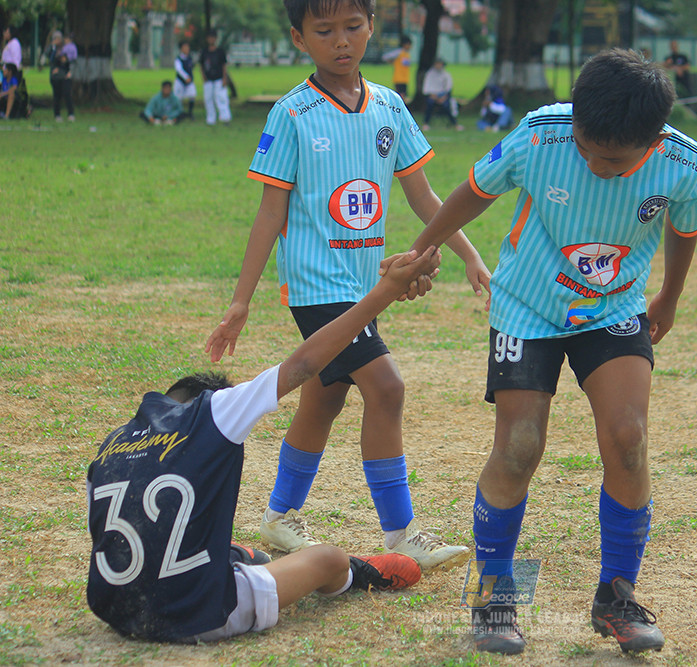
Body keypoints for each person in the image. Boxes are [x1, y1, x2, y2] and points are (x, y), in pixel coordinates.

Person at [398, 48, 697, 654]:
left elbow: (684, 229)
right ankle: (495, 598)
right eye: (586, 147)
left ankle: (616, 597)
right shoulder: (541, 136)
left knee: (628, 438)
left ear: (652, 140)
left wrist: (668, 298)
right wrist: (422, 249)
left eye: (613, 159)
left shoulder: (684, 162)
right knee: (520, 447)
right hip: (527, 306)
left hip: (614, 308)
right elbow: (473, 191)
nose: (594, 164)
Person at [204, 0, 489, 571]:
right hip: (317, 287)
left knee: (326, 396)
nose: (341, 41)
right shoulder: (292, 114)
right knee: (386, 388)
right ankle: (401, 531)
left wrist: (467, 253)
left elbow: (423, 195)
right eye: (324, 30)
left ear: (371, 29)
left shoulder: (389, 105)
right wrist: (241, 302)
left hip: (365, 286)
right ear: (298, 37)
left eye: (352, 27)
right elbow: (269, 213)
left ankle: (280, 519)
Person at [87, 249, 437, 643]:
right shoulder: (213, 411)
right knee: (328, 558)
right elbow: (303, 365)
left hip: (113, 609)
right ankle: (357, 573)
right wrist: (386, 290)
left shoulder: (113, 442)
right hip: (203, 611)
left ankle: (234, 558)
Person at [200, 29, 231, 125]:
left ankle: (225, 118)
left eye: (213, 38)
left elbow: (224, 66)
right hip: (208, 79)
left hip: (218, 78)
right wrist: (203, 76)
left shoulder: (220, 51)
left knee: (221, 98)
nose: (211, 40)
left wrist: (224, 78)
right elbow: (201, 65)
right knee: (208, 99)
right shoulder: (204, 52)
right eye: (210, 38)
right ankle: (210, 119)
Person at [422, 58, 462, 130]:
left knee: (447, 106)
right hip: (432, 96)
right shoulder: (429, 74)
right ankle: (426, 123)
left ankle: (454, 124)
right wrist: (434, 97)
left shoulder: (446, 75)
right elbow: (426, 88)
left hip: (443, 96)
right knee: (429, 104)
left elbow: (448, 88)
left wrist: (443, 97)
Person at [46, 30, 75, 122]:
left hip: (65, 75)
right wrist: (53, 46)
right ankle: (57, 114)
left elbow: (68, 61)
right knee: (56, 95)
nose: (57, 40)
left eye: (58, 38)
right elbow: (48, 58)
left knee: (67, 94)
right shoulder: (52, 49)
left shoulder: (66, 48)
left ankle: (71, 113)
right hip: (55, 76)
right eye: (55, 38)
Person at [381, 35, 412, 99]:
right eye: (408, 44)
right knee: (400, 96)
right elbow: (385, 57)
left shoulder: (407, 54)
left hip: (405, 79)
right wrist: (391, 62)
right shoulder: (399, 52)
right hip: (398, 78)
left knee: (404, 95)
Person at [174, 40, 197, 119]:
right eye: (184, 48)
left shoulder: (190, 58)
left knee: (192, 94)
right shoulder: (178, 59)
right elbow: (179, 69)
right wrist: (186, 77)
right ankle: (179, 113)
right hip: (180, 81)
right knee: (178, 97)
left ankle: (190, 113)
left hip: (190, 81)